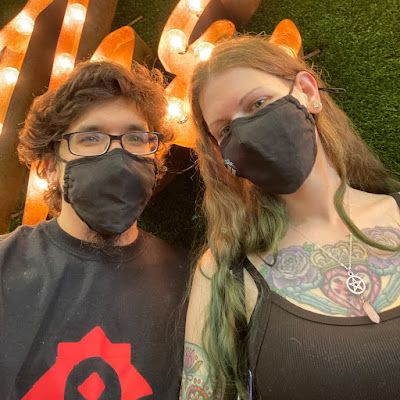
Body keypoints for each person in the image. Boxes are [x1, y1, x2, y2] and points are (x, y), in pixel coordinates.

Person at [181, 35, 400, 400]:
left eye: (258, 103)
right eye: (225, 130)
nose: (245, 134)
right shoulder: (224, 268)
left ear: (307, 92)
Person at [0, 60, 189, 399]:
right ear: (50, 167)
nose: (117, 156)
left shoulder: (192, 281)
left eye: (135, 137)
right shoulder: (3, 264)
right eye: (91, 137)